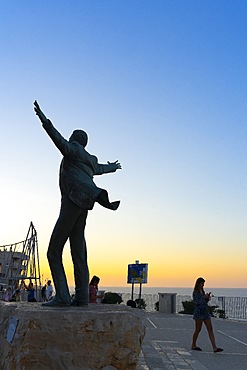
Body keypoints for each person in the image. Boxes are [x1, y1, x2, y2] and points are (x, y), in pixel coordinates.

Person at [34, 101, 121, 307]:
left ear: (75, 139)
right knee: (78, 250)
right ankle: (82, 297)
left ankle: (63, 296)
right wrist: (113, 166)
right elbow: (100, 168)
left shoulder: (73, 150)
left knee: (53, 251)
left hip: (73, 201)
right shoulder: (89, 159)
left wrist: (45, 121)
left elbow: (58, 141)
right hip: (85, 204)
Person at [191, 277, 223, 353]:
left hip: (205, 312)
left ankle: (215, 347)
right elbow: (196, 302)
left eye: (203, 284)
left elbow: (203, 302)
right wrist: (203, 298)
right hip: (199, 312)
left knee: (210, 329)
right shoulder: (195, 292)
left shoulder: (202, 291)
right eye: (202, 283)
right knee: (198, 330)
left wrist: (207, 298)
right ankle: (193, 344)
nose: (203, 285)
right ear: (198, 284)